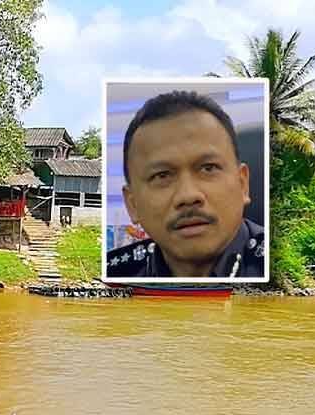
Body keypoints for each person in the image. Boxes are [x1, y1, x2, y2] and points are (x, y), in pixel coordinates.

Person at [106, 90, 264, 278]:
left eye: (208, 168)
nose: (188, 196)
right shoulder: (115, 273)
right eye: (162, 176)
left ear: (243, 184)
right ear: (132, 204)